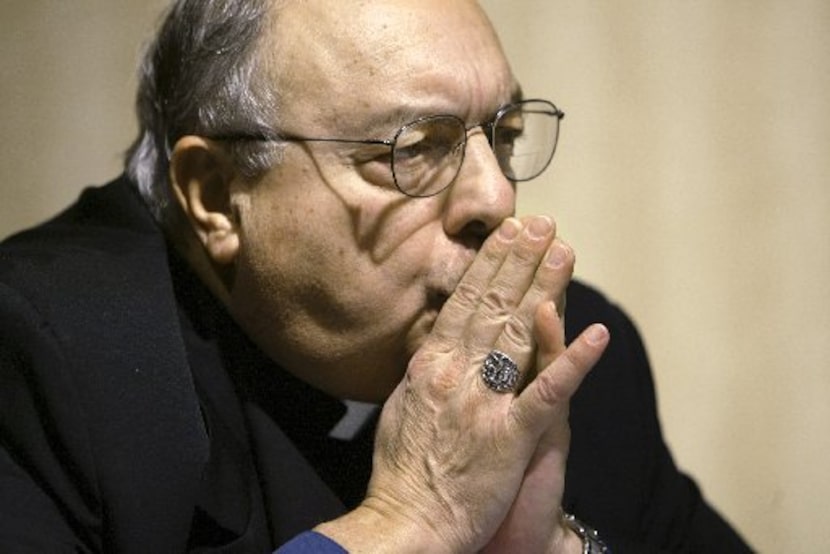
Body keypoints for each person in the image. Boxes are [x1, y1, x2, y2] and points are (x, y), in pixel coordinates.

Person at [0, 0, 752, 552]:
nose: (495, 198)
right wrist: (414, 519)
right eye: (415, 148)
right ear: (218, 195)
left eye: (504, 135)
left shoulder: (562, 362)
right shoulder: (38, 356)